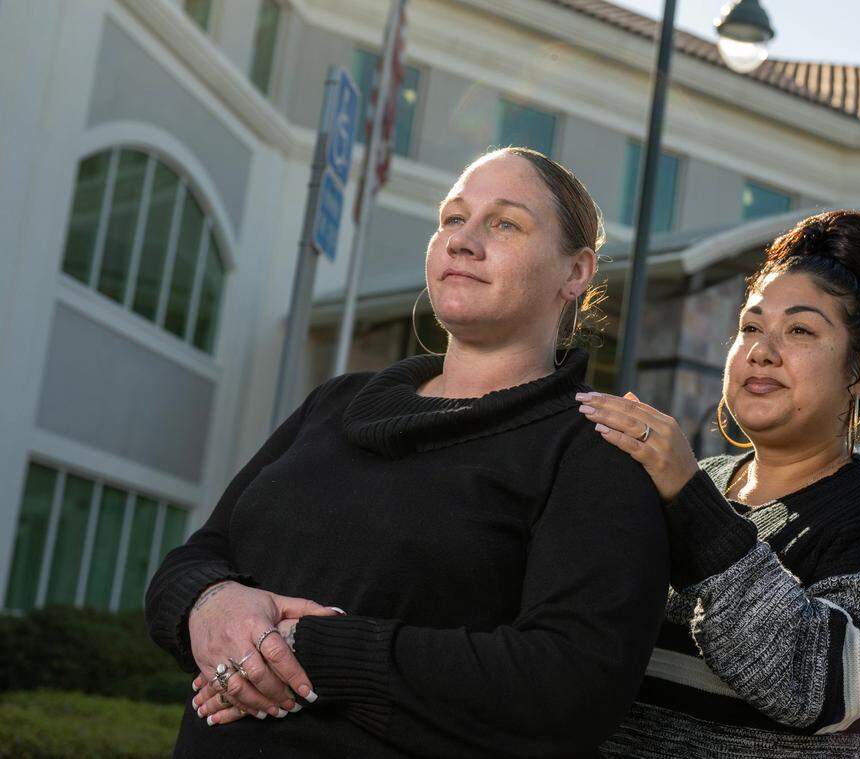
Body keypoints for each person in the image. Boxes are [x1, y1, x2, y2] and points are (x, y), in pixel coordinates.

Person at [144, 147, 670, 758]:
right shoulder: (336, 405)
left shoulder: (592, 449)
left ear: (575, 272)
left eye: (505, 223)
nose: (463, 241)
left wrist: (305, 652)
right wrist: (209, 605)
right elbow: (197, 557)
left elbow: (569, 686)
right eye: (452, 218)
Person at [578, 210, 860, 757]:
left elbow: (821, 689)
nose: (761, 349)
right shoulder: (691, 484)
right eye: (750, 327)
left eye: (800, 330)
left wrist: (691, 504)